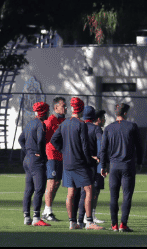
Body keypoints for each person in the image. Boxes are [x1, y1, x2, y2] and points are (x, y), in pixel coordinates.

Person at [50, 97, 103, 230]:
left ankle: (72, 222)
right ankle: (89, 221)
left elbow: (54, 140)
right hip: (80, 163)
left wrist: (63, 150)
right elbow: (85, 146)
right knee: (89, 189)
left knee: (71, 192)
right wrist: (90, 160)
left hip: (67, 162)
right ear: (81, 109)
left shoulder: (64, 123)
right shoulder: (81, 124)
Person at [100, 103, 143, 232]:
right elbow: (139, 147)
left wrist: (103, 166)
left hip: (113, 166)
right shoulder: (132, 126)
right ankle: (123, 224)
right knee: (127, 196)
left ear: (116, 113)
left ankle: (114, 225)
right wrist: (139, 162)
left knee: (113, 196)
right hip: (128, 166)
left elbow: (103, 149)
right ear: (125, 113)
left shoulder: (108, 128)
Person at [18, 101, 51, 227]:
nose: (48, 113)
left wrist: (28, 151)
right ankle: (36, 217)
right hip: (36, 161)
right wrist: (40, 153)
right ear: (43, 112)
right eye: (47, 111)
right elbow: (41, 139)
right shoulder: (40, 124)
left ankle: (27, 216)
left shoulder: (29, 123)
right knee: (39, 189)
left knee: (29, 189)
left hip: (27, 159)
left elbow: (20, 139)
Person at [78, 106, 103, 226]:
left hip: (77, 163)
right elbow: (102, 143)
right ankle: (87, 219)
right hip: (91, 164)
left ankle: (77, 220)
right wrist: (99, 158)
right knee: (89, 192)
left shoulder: (78, 126)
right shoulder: (96, 128)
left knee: (76, 192)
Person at [42, 96, 66, 222]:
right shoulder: (50, 121)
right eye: (63, 106)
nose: (65, 108)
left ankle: (46, 211)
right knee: (51, 183)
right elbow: (44, 139)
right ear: (56, 107)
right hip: (51, 156)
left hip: (61, 156)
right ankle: (48, 211)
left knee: (56, 183)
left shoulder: (64, 121)